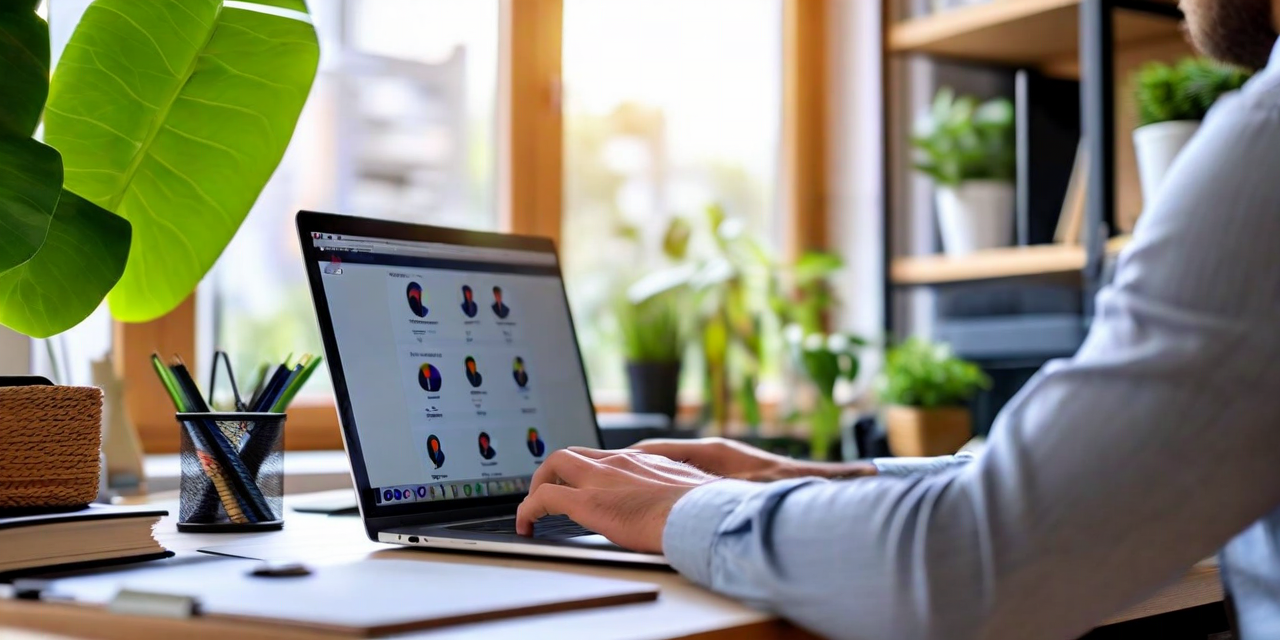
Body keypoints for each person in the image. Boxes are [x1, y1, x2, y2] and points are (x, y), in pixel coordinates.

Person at [515, 2, 1280, 638]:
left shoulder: (1265, 141)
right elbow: (1117, 489)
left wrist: (681, 508)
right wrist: (817, 477)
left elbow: (976, 567)